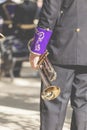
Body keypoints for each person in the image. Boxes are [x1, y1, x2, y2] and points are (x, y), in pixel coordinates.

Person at [29, 0, 87, 130]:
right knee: (83, 105)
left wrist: (37, 49)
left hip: (62, 49)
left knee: (54, 104)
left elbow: (50, 13)